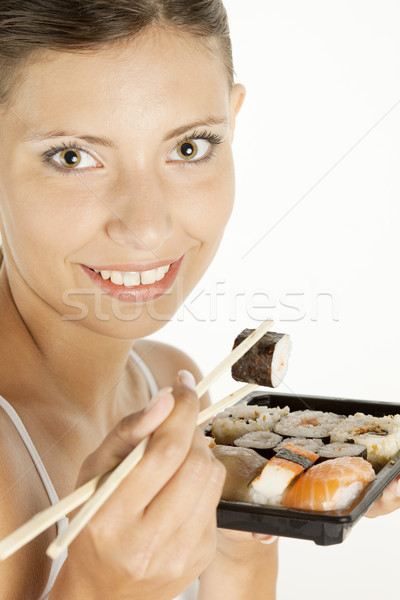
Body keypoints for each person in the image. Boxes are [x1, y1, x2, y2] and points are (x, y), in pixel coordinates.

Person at [0, 1, 279, 599]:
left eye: (189, 148)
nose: (147, 227)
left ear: (232, 124)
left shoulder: (165, 378)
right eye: (73, 157)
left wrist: (241, 544)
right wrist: (99, 589)